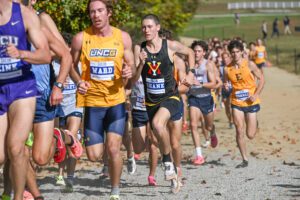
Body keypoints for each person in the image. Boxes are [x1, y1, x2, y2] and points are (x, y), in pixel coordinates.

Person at [69, 0, 134, 199]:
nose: (96, 15)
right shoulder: (81, 38)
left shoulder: (122, 37)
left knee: (114, 148)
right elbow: (69, 65)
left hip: (116, 100)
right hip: (93, 103)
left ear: (109, 13)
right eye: (92, 12)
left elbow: (130, 66)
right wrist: (79, 81)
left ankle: (115, 190)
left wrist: (128, 71)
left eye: (100, 11)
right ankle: (106, 159)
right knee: (94, 155)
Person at [133, 14, 195, 193]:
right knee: (159, 134)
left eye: (150, 26)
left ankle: (169, 164)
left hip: (171, 97)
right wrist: (141, 63)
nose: (146, 30)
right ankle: (171, 169)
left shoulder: (170, 46)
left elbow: (190, 52)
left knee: (166, 133)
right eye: (143, 27)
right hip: (151, 102)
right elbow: (135, 79)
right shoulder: (140, 48)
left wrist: (190, 73)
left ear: (158, 28)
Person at [0, 1, 51, 199]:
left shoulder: (24, 14)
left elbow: (46, 55)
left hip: (22, 87)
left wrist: (21, 53)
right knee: (2, 156)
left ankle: (18, 196)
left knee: (15, 145)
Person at [224, 40, 265, 168]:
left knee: (250, 135)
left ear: (242, 52)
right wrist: (226, 86)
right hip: (236, 102)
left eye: (237, 52)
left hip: (251, 102)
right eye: (233, 52)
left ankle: (254, 123)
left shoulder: (250, 64)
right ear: (230, 54)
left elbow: (262, 79)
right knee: (239, 129)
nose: (235, 54)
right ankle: (244, 159)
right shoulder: (227, 69)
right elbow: (226, 83)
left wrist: (256, 94)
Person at [188, 40, 217, 165]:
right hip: (193, 98)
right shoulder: (189, 64)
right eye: (194, 51)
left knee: (208, 126)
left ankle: (213, 132)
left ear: (204, 52)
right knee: (193, 125)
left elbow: (213, 84)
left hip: (206, 98)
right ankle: (199, 155)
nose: (196, 53)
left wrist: (200, 84)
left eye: (199, 51)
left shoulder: (208, 65)